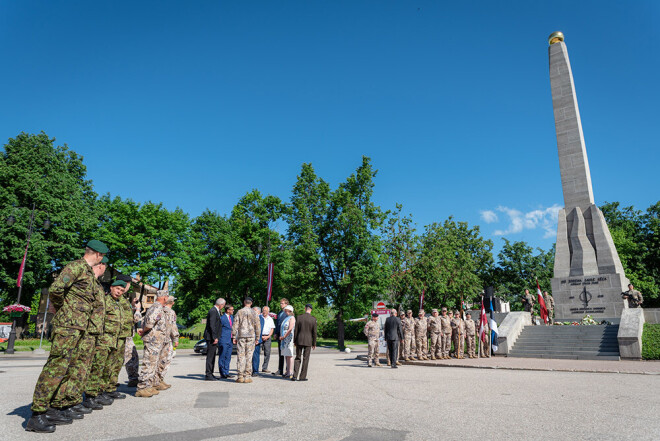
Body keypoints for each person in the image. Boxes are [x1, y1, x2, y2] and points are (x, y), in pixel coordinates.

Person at [27, 239, 108, 433]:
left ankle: (54, 408)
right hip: (67, 325)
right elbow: (56, 290)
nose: (102, 260)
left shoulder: (87, 273)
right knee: (55, 367)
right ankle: (37, 414)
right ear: (98, 255)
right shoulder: (76, 266)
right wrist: (65, 309)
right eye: (103, 257)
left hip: (78, 327)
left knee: (66, 367)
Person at [56, 256, 108, 413]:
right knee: (72, 367)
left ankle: (73, 400)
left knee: (82, 368)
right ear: (101, 264)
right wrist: (62, 310)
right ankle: (63, 402)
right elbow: (56, 290)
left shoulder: (95, 284)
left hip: (90, 331)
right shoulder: (78, 271)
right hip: (78, 327)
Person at [85, 280, 130, 405]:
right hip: (104, 339)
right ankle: (90, 395)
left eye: (121, 290)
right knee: (98, 367)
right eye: (117, 289)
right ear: (111, 288)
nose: (119, 292)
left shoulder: (119, 303)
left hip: (114, 340)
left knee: (108, 368)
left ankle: (102, 391)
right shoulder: (104, 301)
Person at [135, 290, 169, 397]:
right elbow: (149, 323)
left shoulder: (157, 307)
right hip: (153, 341)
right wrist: (144, 330)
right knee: (149, 364)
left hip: (156, 341)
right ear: (165, 298)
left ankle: (149, 386)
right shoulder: (157, 307)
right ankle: (142, 388)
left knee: (153, 364)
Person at [119, 274, 141, 387]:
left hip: (122, 334)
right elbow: (133, 320)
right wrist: (137, 310)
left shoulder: (119, 298)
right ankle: (133, 378)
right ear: (127, 284)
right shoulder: (121, 299)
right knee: (131, 357)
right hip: (124, 334)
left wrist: (132, 306)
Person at [232, 297, 261, 383]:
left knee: (241, 356)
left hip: (241, 336)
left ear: (244, 302)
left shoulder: (239, 312)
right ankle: (247, 376)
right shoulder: (254, 313)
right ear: (251, 303)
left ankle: (240, 376)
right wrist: (258, 337)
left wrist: (234, 336)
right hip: (251, 336)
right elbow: (258, 326)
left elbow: (235, 324)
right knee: (249, 356)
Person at [156, 296, 179, 389]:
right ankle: (159, 380)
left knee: (158, 360)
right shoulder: (171, 312)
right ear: (172, 302)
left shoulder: (160, 309)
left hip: (158, 338)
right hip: (167, 339)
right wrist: (176, 339)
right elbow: (173, 326)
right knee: (166, 360)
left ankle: (157, 380)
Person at [292, 304, 317, 381]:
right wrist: (314, 343)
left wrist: (295, 340)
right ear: (311, 309)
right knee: (306, 359)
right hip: (308, 341)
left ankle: (295, 376)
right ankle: (302, 377)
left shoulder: (299, 317)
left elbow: (296, 330)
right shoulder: (313, 319)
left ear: (305, 308)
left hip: (299, 340)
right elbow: (314, 332)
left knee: (297, 358)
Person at [203, 298, 225, 381]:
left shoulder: (216, 311)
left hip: (213, 337)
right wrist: (214, 337)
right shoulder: (213, 311)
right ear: (220, 304)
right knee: (210, 356)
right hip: (211, 337)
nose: (223, 307)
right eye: (223, 305)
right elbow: (212, 325)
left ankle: (211, 373)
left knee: (213, 356)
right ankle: (208, 374)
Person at [273, 298, 289, 376]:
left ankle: (287, 370)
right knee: (280, 353)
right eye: (280, 303)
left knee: (286, 353)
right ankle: (280, 370)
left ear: (286, 304)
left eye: (282, 303)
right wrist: (276, 333)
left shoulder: (288, 313)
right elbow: (277, 324)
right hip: (279, 335)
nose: (281, 304)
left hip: (285, 335)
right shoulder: (279, 313)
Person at [279, 305, 296, 378]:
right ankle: (288, 371)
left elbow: (290, 328)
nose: (285, 312)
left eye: (286, 310)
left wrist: (284, 336)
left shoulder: (292, 318)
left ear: (290, 311)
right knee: (286, 355)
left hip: (289, 338)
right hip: (284, 339)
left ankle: (290, 371)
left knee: (290, 354)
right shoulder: (286, 318)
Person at [218, 304, 235, 379]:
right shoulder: (222, 318)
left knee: (228, 357)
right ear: (228, 310)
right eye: (232, 309)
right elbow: (219, 329)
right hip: (223, 339)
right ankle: (222, 373)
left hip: (230, 340)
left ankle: (227, 372)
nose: (233, 311)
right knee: (222, 356)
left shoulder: (232, 317)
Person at [260, 306, 275, 373]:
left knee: (267, 353)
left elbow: (272, 329)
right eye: (264, 310)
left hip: (267, 337)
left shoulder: (270, 319)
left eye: (266, 310)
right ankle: (254, 368)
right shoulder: (259, 318)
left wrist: (268, 336)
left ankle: (264, 367)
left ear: (268, 312)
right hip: (260, 337)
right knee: (256, 352)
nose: (264, 311)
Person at [251, 306, 264, 377]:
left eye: (254, 310)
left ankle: (255, 371)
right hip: (250, 339)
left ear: (258, 312)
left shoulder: (260, 318)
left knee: (255, 356)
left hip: (256, 340)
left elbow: (259, 330)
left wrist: (257, 339)